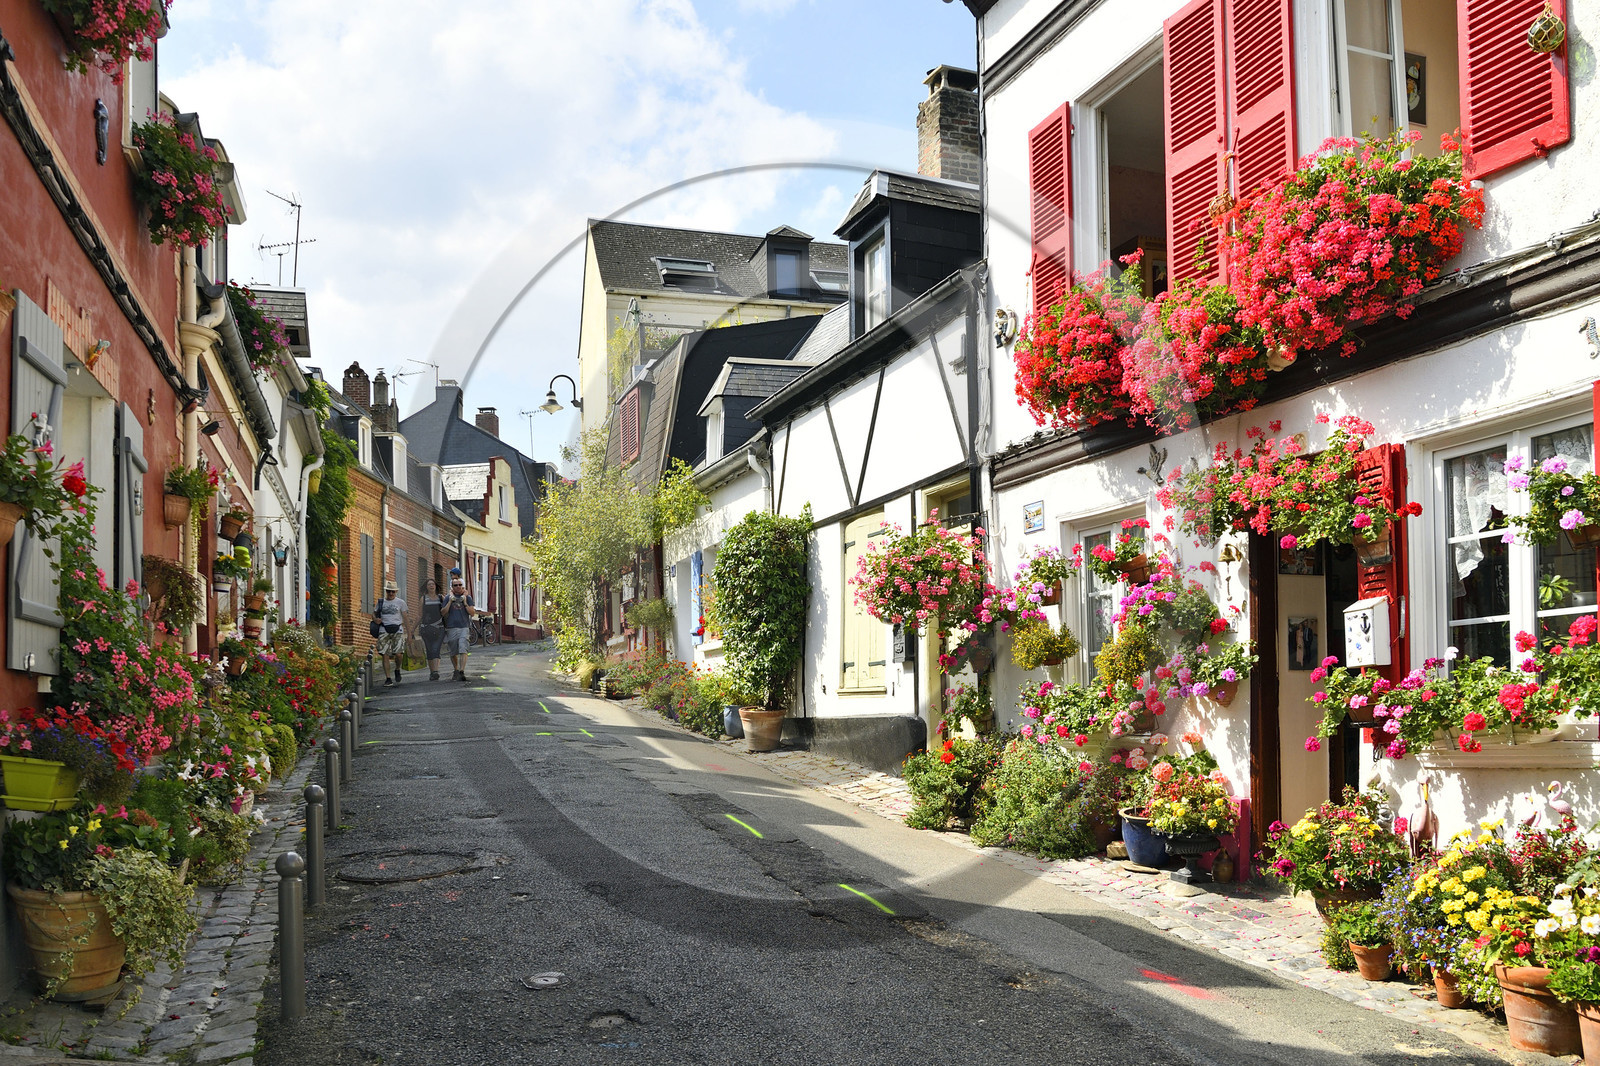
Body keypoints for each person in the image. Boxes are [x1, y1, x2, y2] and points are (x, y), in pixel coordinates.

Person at [440, 574, 478, 682]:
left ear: (463, 586)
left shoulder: (468, 597)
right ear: (452, 587)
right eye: (455, 585)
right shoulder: (448, 597)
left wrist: (465, 602)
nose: (458, 587)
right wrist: (450, 602)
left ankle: (462, 671)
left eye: (460, 585)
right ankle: (456, 669)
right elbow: (443, 612)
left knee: (463, 648)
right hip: (451, 628)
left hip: (464, 627)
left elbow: (472, 613)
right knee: (453, 651)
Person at [374, 580, 408, 686]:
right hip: (384, 629)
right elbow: (374, 613)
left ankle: (397, 669)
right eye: (389, 591)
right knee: (385, 654)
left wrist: (409, 632)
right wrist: (376, 620)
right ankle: (388, 678)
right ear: (386, 591)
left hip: (398, 629)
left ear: (396, 592)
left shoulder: (401, 602)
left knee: (398, 654)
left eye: (393, 592)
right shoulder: (380, 602)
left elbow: (406, 618)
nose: (391, 594)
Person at [418, 578, 446, 681]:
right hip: (426, 628)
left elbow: (446, 611)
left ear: (436, 586)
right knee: (429, 651)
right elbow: (419, 615)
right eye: (429, 584)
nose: (431, 586)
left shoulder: (441, 598)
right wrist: (412, 630)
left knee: (435, 649)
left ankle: (435, 671)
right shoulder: (423, 599)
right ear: (426, 587)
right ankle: (432, 671)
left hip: (439, 628)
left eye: (433, 584)